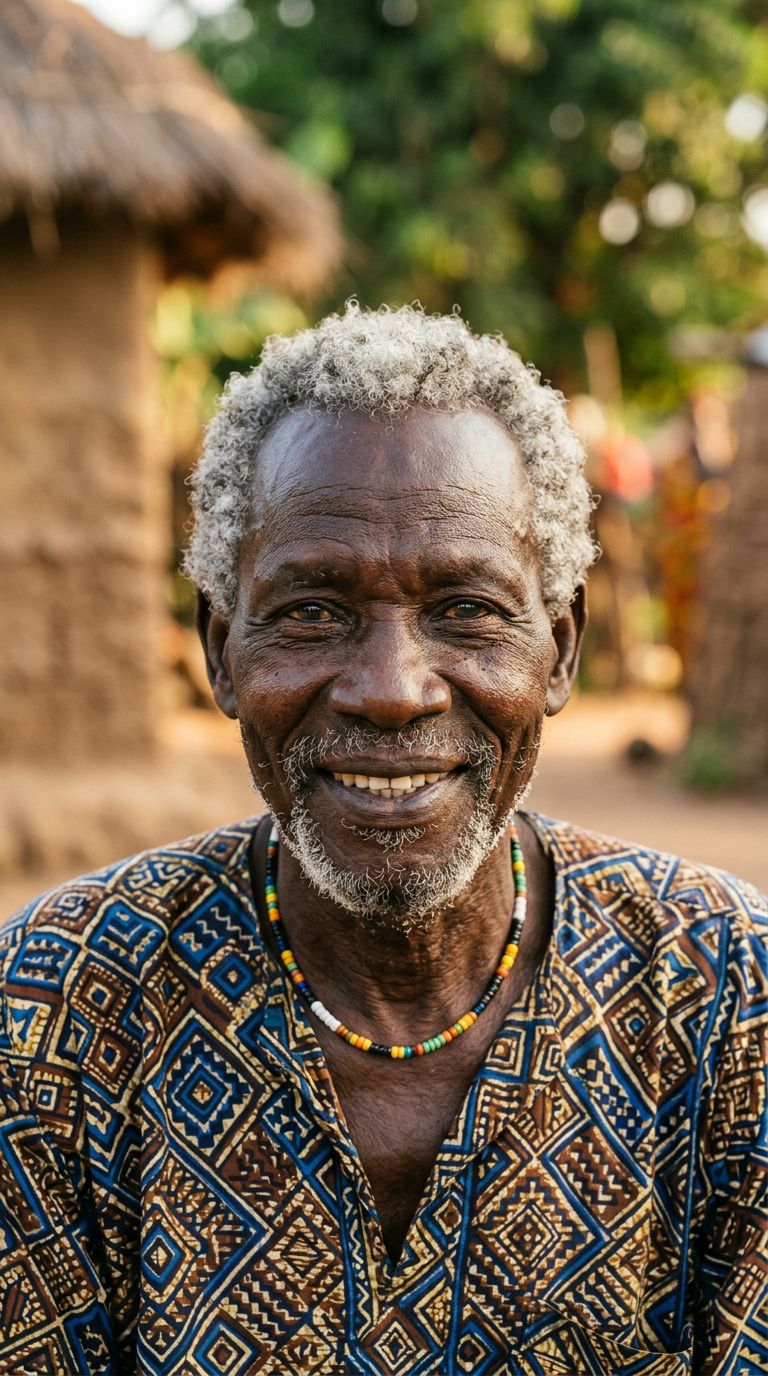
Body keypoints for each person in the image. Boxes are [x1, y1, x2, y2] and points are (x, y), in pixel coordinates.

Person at [0, 304, 765, 1376]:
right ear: (222, 652)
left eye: (466, 608)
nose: (392, 691)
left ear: (560, 648)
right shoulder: (50, 1018)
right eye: (312, 611)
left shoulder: (732, 999)